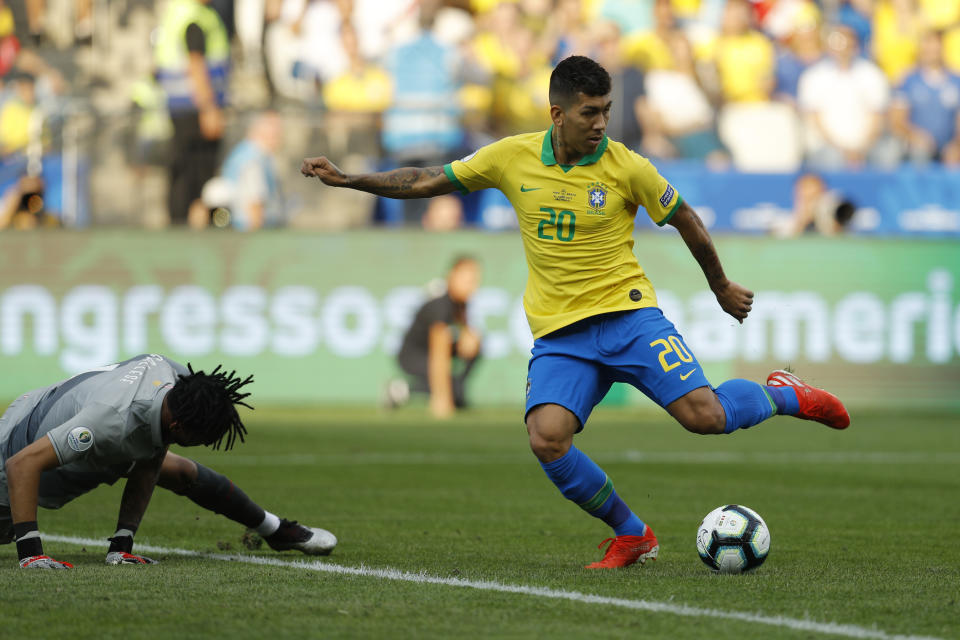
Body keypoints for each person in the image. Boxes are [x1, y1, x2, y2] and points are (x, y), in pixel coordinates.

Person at [301, 55, 850, 570]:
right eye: (591, 112)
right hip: (562, 336)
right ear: (557, 114)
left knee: (704, 418)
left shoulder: (626, 166)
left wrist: (720, 285)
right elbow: (426, 181)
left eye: (607, 110)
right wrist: (349, 180)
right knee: (547, 437)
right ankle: (633, 533)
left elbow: (686, 218)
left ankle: (785, 394)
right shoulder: (509, 157)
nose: (602, 123)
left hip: (630, 319)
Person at [1, 354, 337, 569]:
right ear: (178, 426)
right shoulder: (109, 420)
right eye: (201, 438)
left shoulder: (177, 381)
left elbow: (152, 452)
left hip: (91, 437)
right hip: (18, 445)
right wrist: (32, 552)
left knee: (183, 472)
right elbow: (21, 465)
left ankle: (275, 530)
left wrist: (122, 543)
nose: (203, 444)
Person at [154, 0, 230, 227]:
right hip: (195, 111)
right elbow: (195, 63)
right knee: (197, 181)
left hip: (181, 109)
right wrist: (209, 108)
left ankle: (180, 226)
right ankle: (190, 231)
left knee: (182, 173)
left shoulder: (177, 12)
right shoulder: (195, 18)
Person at [393, 256, 483, 419]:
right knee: (451, 390)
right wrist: (442, 399)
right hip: (414, 355)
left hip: (435, 353)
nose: (474, 287)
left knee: (477, 342)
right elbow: (439, 356)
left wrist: (470, 338)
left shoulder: (461, 303)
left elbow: (464, 336)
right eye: (469, 281)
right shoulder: (440, 306)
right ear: (452, 276)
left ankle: (457, 390)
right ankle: (403, 390)